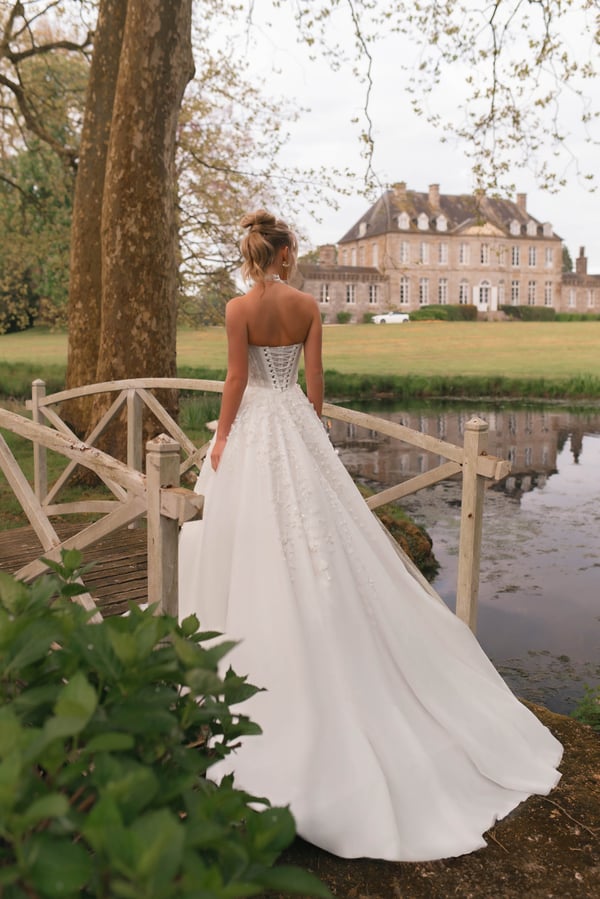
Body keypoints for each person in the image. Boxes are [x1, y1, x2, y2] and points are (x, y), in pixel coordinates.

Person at [178, 210, 562, 862]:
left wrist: (221, 439)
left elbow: (237, 382)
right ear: (288, 252)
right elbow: (315, 382)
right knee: (319, 539)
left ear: (251, 254)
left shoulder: (238, 307)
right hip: (293, 419)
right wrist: (310, 428)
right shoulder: (306, 305)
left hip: (252, 429)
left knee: (246, 537)